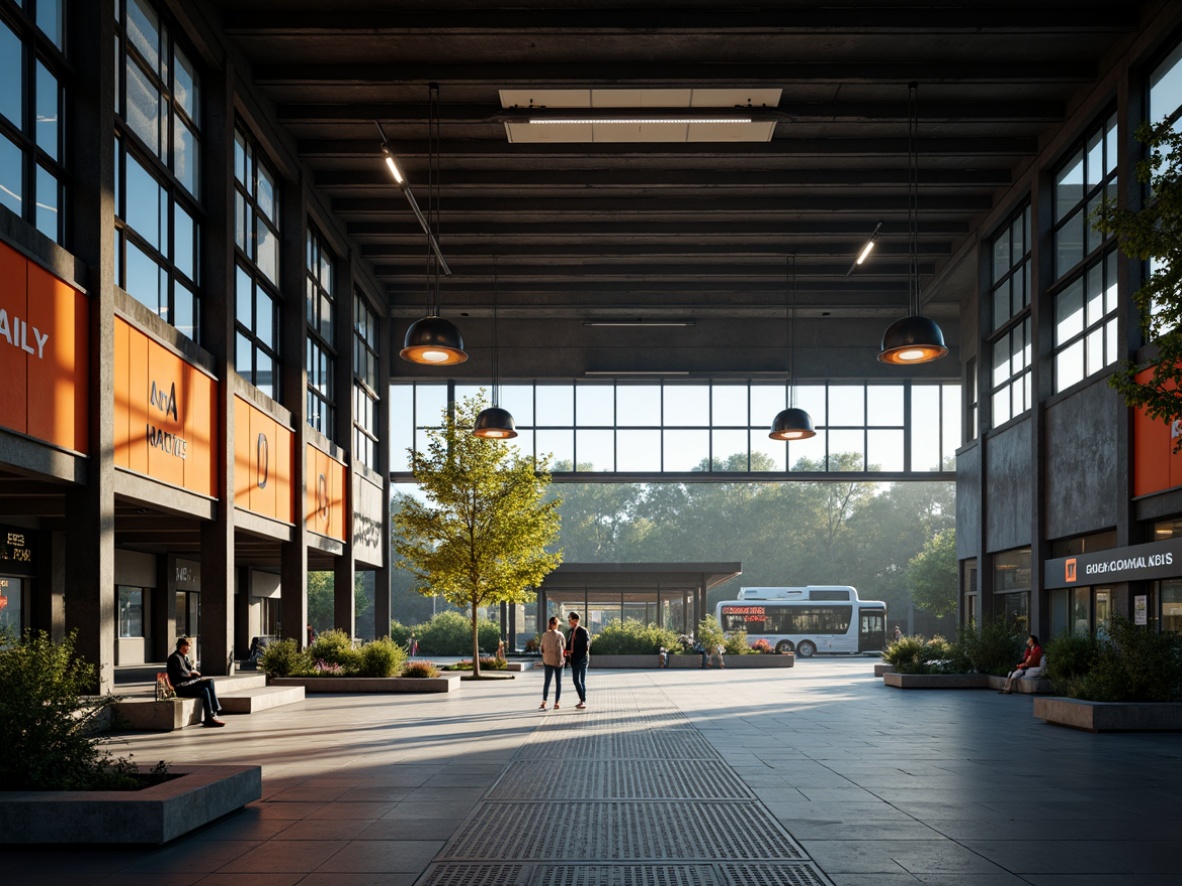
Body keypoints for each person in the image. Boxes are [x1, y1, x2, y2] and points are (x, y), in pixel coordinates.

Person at [166, 637, 225, 727]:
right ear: (182, 646)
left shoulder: (184, 657)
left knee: (208, 684)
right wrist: (191, 674)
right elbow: (179, 675)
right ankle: (211, 714)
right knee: (206, 687)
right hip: (181, 687)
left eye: (189, 646)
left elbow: (189, 670)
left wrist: (194, 674)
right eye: (188, 646)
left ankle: (212, 713)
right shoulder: (174, 657)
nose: (189, 648)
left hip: (188, 684)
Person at [539, 616, 566, 710]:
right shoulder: (560, 635)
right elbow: (564, 646)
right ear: (556, 625)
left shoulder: (544, 635)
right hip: (559, 662)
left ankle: (544, 701)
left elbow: (541, 648)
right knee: (558, 682)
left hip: (547, 661)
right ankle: (557, 702)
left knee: (547, 682)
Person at [565, 611, 591, 709]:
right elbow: (569, 644)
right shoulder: (571, 631)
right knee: (576, 680)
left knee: (582, 680)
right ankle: (581, 699)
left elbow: (587, 642)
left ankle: (583, 701)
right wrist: (566, 652)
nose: (569, 622)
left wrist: (585, 652)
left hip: (582, 658)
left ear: (575, 621)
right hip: (574, 658)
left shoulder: (583, 631)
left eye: (570, 620)